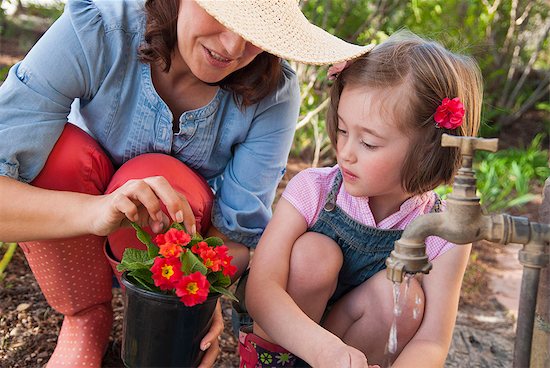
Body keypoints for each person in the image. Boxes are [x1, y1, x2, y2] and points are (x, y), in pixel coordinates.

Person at [0, 0, 373, 366]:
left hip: (171, 241)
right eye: (221, 13)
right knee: (60, 156)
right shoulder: (98, 27)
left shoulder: (272, 92)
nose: (233, 47)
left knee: (156, 179)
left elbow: (236, 236)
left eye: (257, 32)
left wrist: (200, 289)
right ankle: (84, 318)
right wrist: (98, 210)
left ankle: (151, 325)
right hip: (75, 209)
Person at [244, 31, 483, 368]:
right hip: (282, 348)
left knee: (399, 293)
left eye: (368, 143)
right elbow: (260, 291)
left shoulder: (443, 233)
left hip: (355, 355)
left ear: (429, 150)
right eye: (342, 130)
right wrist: (325, 351)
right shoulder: (313, 190)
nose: (345, 152)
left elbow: (432, 341)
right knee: (314, 254)